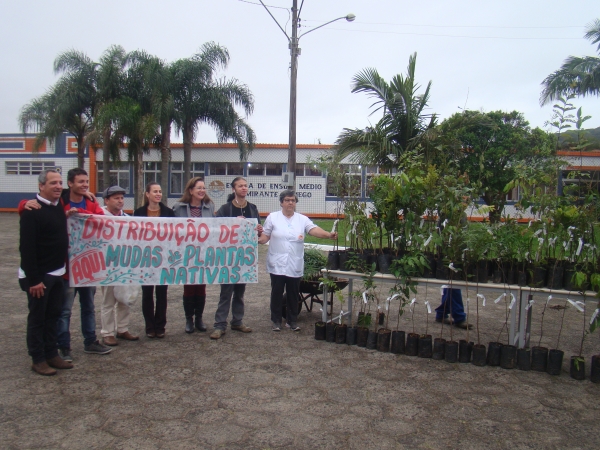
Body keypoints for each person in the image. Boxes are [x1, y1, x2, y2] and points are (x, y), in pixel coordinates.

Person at [20, 168, 111, 360]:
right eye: (80, 181)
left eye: (87, 181)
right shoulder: (59, 202)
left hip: (88, 267)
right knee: (63, 310)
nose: (85, 185)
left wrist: (81, 212)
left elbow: (101, 220)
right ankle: (61, 347)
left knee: (86, 307)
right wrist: (22, 204)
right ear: (71, 184)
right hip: (65, 270)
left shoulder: (90, 201)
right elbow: (28, 241)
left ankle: (88, 342)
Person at [19, 169, 74, 375]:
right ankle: (38, 358)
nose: (59, 186)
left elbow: (77, 190)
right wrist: (34, 280)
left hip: (57, 273)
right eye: (53, 183)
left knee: (53, 315)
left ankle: (52, 353)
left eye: (60, 183)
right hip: (39, 277)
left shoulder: (58, 205)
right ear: (41, 186)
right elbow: (27, 248)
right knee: (37, 318)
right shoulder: (32, 212)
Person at [258, 190, 337, 331]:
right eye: (287, 200)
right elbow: (265, 236)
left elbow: (313, 230)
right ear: (281, 202)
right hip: (277, 263)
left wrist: (328, 235)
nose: (290, 203)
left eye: (293, 200)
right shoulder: (273, 217)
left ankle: (292, 320)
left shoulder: (302, 219)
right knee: (276, 292)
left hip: (294, 263)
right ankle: (276, 320)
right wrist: (257, 240)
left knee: (293, 293)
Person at [210, 177, 263, 340]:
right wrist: (233, 222)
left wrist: (259, 229)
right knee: (226, 292)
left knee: (240, 292)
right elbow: (216, 229)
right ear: (233, 189)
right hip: (228, 257)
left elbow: (258, 231)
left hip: (245, 258)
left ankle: (237, 321)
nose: (244, 188)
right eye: (240, 186)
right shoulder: (225, 209)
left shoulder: (253, 208)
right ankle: (219, 325)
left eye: (246, 186)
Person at [172, 177, 215, 333]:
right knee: (189, 287)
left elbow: (215, 227)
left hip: (203, 253)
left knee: (201, 287)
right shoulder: (178, 207)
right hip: (186, 254)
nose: (202, 190)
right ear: (190, 190)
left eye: (203, 188)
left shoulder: (209, 207)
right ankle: (188, 319)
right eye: (198, 188)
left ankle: (199, 318)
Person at [134, 182, 176, 338]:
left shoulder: (169, 213)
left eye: (160, 191)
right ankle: (149, 326)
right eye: (155, 191)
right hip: (145, 259)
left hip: (163, 259)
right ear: (147, 194)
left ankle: (160, 326)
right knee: (147, 293)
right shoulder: (138, 213)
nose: (158, 194)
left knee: (162, 293)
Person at [99, 186, 139, 346]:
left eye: (122, 198)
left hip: (124, 264)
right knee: (108, 300)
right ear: (107, 200)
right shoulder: (98, 216)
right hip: (106, 265)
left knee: (124, 298)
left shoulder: (127, 218)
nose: (120, 201)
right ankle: (107, 332)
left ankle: (122, 328)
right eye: (116, 198)